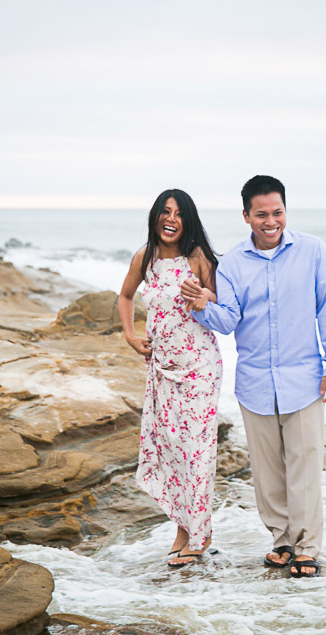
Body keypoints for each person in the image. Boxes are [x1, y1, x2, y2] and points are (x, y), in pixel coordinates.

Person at [181, 175, 326, 578]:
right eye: (261, 215)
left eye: (277, 213)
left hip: (304, 378)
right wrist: (203, 305)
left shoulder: (313, 251)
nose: (271, 221)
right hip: (255, 382)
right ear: (246, 216)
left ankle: (307, 546)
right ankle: (282, 541)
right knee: (267, 471)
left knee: (305, 465)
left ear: (285, 211)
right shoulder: (233, 263)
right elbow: (229, 319)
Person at [119, 188, 222, 568]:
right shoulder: (144, 258)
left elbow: (224, 305)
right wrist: (130, 336)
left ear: (188, 220)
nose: (171, 219)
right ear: (155, 216)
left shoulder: (198, 259)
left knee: (196, 451)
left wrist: (205, 298)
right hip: (161, 368)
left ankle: (201, 532)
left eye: (179, 213)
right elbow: (126, 296)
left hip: (199, 369)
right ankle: (183, 531)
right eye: (165, 211)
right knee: (171, 450)